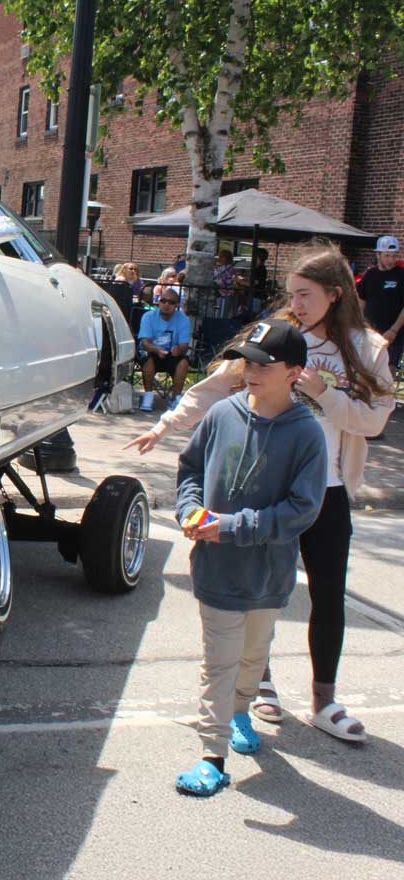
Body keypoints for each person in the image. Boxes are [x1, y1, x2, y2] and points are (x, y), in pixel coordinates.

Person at [127, 245, 395, 743]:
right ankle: (260, 686)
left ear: (336, 295)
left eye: (306, 294)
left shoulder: (365, 347)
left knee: (328, 593)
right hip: (266, 489)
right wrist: (164, 426)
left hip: (327, 493)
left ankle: (324, 699)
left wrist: (325, 392)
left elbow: (374, 420)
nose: (297, 302)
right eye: (291, 293)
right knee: (263, 590)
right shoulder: (277, 338)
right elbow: (215, 387)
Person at [174, 320, 327, 797]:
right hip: (217, 568)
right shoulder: (223, 413)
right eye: (248, 360)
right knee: (218, 661)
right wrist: (190, 507)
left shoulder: (307, 434)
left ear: (295, 373)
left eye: (266, 363)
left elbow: (302, 510)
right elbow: (190, 468)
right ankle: (211, 755)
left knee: (253, 657)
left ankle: (241, 710)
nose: (253, 370)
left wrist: (232, 526)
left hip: (268, 576)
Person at [136, 290, 190, 412]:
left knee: (184, 363)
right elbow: (145, 343)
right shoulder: (148, 317)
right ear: (158, 302)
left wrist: (179, 349)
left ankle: (175, 398)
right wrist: (156, 349)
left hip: (172, 354)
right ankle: (148, 396)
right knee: (148, 360)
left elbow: (184, 344)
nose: (166, 305)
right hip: (152, 351)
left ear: (177, 305)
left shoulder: (183, 319)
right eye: (163, 301)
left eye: (171, 302)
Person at [356, 235, 404, 374]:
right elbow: (361, 301)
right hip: (370, 332)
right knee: (366, 370)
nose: (391, 260)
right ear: (378, 254)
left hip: (393, 334)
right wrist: (360, 325)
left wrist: (394, 330)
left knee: (388, 372)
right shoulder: (369, 275)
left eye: (394, 256)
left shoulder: (401, 275)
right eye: (387, 256)